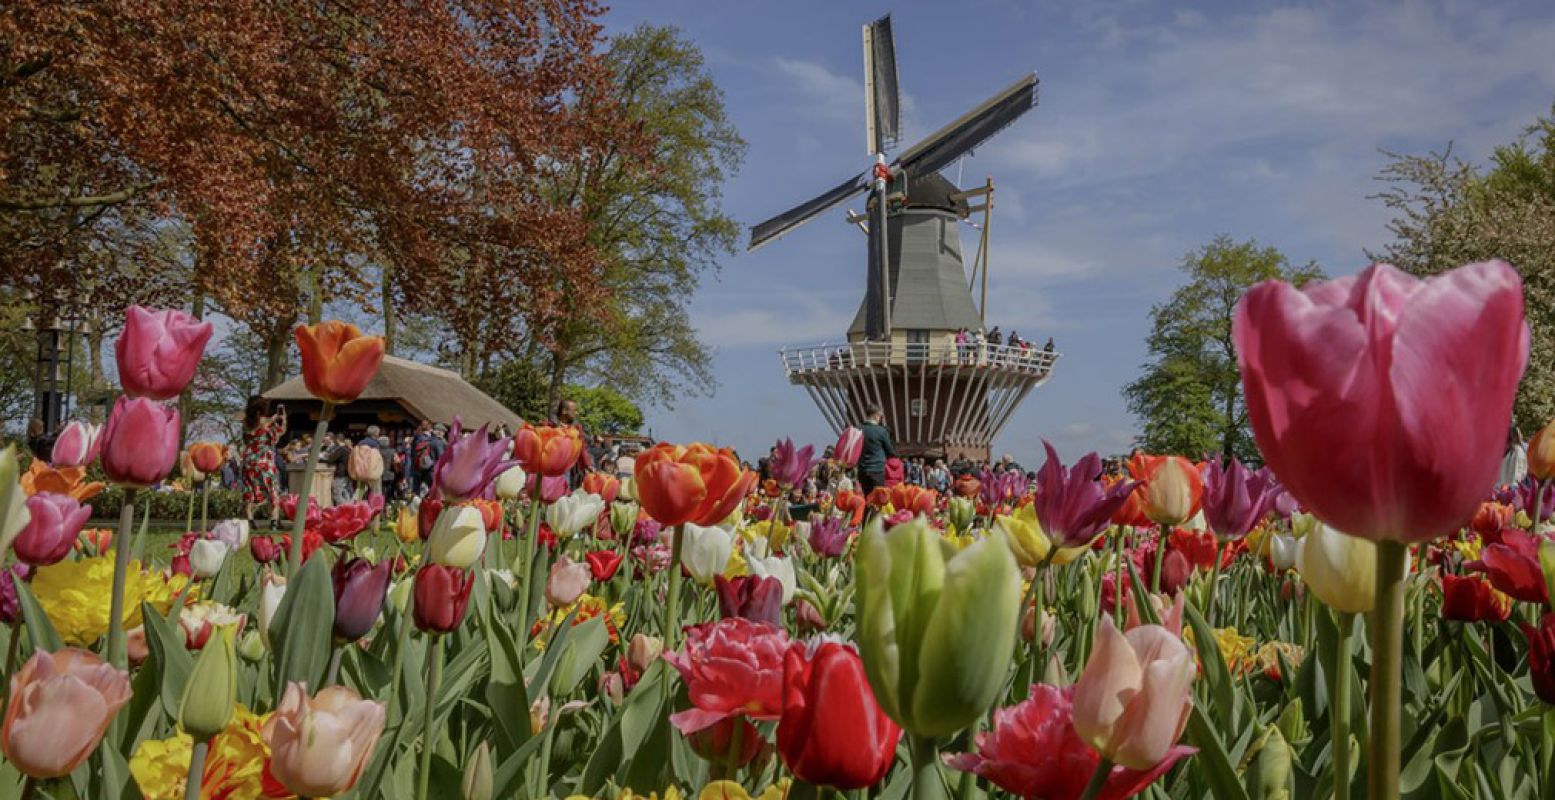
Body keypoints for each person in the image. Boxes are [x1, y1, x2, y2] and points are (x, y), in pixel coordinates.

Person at [241, 397, 286, 528]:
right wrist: (282, 420)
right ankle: (274, 521)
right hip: (264, 460)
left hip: (248, 460)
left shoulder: (245, 423)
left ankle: (250, 521)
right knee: (272, 489)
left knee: (250, 489)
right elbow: (276, 437)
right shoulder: (266, 423)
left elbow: (245, 440)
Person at [857, 405, 896, 496]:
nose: (880, 418)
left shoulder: (858, 429)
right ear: (875, 416)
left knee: (866, 497)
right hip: (876, 470)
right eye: (880, 416)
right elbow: (890, 451)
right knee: (877, 500)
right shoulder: (881, 431)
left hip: (862, 470)